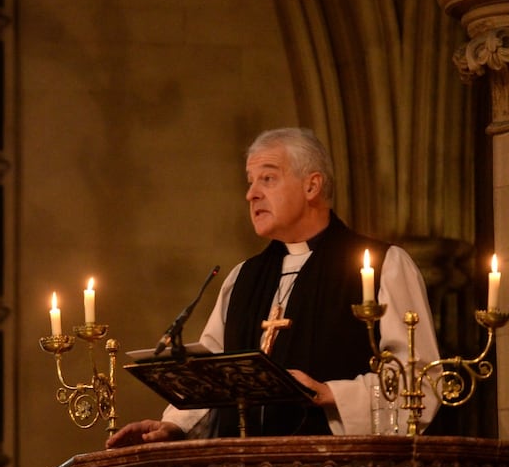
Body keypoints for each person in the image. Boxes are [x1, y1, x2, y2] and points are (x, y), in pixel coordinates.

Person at [106, 127, 440, 447]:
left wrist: (331, 394)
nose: (251, 194)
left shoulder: (384, 265)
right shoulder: (243, 278)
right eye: (250, 181)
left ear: (311, 186)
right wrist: (174, 427)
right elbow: (215, 373)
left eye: (267, 178)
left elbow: (419, 382)